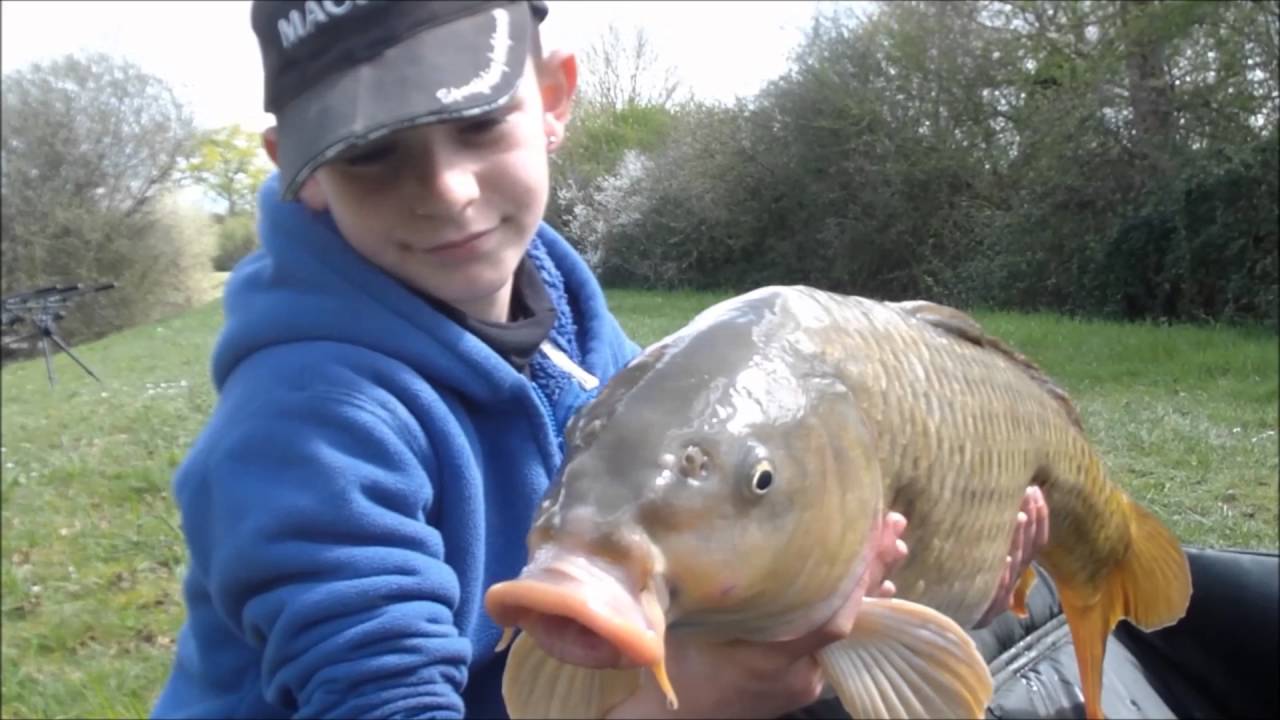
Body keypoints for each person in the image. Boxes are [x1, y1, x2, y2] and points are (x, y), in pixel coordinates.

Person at [151, 2, 1048, 718]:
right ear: (298, 169)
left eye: (474, 123)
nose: (448, 192)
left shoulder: (557, 304)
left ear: (552, 99)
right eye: (372, 156)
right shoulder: (309, 428)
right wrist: (701, 703)